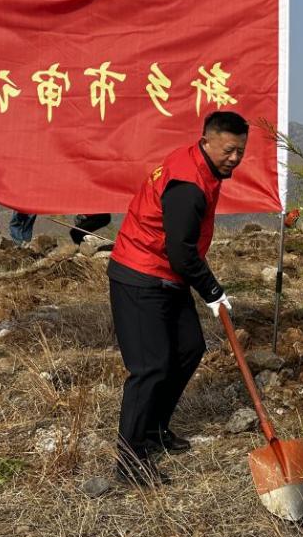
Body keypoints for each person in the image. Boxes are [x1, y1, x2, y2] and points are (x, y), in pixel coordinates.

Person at [106, 111, 247, 487]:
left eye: (241, 152)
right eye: (229, 150)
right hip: (140, 275)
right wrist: (213, 292)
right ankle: (131, 460)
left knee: (188, 349)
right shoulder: (189, 184)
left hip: (167, 275)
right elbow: (182, 252)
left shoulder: (202, 168)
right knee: (150, 368)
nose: (235, 158)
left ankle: (153, 430)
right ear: (207, 141)